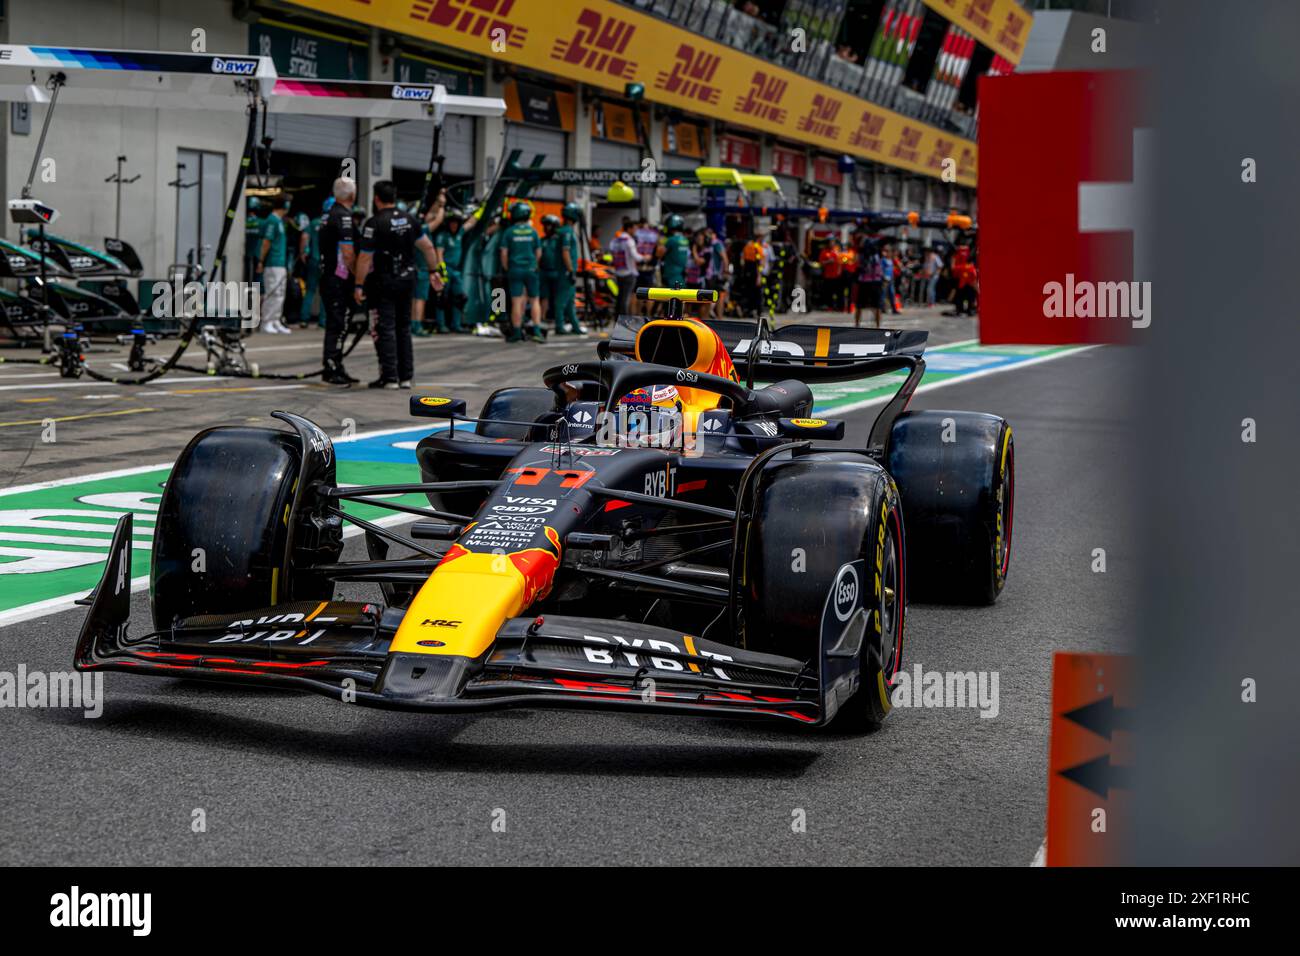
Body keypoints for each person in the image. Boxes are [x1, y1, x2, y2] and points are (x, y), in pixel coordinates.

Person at [353, 180, 443, 389]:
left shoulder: (374, 223)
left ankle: (390, 377)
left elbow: (365, 258)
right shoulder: (410, 220)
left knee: (385, 328)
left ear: (376, 199)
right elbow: (428, 247)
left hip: (383, 282)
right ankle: (406, 377)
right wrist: (433, 271)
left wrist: (358, 285)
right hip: (407, 280)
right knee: (404, 327)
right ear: (394, 198)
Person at [318, 181, 359, 385]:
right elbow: (348, 253)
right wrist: (359, 278)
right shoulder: (342, 216)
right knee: (338, 324)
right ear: (352, 195)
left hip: (329, 276)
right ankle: (332, 366)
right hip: (338, 279)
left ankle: (335, 364)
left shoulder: (329, 214)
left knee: (338, 324)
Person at [500, 201, 544, 343]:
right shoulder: (533, 231)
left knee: (516, 302)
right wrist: (534, 265)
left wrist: (507, 268)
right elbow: (538, 252)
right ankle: (537, 331)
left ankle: (517, 333)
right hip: (531, 269)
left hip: (515, 269)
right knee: (535, 300)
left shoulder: (509, 232)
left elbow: (504, 253)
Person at [256, 194, 292, 335]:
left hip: (280, 263)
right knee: (273, 292)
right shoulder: (272, 221)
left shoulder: (279, 221)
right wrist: (261, 260)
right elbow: (266, 242)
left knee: (280, 293)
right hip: (273, 263)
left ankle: (276, 320)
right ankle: (267, 321)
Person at [555, 201, 585, 334]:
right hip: (565, 272)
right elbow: (565, 252)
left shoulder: (564, 230)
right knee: (562, 301)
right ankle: (560, 326)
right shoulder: (567, 232)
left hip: (564, 271)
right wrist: (570, 270)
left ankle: (575, 326)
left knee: (569, 301)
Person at [434, 210, 467, 333]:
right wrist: (442, 271)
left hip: (456, 271)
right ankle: (441, 324)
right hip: (446, 268)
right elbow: (439, 254)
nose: (454, 225)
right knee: (441, 297)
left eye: (456, 223)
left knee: (459, 297)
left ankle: (456, 324)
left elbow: (471, 223)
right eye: (452, 223)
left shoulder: (460, 233)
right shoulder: (442, 236)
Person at [609, 216, 641, 317]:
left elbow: (611, 251)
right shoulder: (629, 240)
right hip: (629, 273)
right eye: (634, 228)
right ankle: (624, 321)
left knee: (620, 297)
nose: (635, 231)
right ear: (629, 229)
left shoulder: (616, 239)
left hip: (619, 272)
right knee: (626, 298)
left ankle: (617, 318)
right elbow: (636, 256)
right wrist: (645, 257)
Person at [538, 213, 564, 333]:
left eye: (548, 225)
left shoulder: (560, 240)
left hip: (557, 273)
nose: (546, 228)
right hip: (544, 272)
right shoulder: (542, 240)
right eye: (545, 225)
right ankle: (542, 318)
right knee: (544, 297)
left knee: (559, 298)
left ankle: (560, 320)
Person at [296, 208, 321, 327]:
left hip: (313, 260)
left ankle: (304, 319)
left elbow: (304, 237)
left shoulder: (314, 222)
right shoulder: (334, 221)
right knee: (325, 292)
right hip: (328, 262)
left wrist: (302, 253)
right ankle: (323, 321)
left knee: (310, 290)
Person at [657, 213, 691, 291]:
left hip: (671, 274)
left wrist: (661, 239)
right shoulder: (684, 239)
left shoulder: (671, 240)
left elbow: (658, 254)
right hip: (681, 274)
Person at [855, 237, 883, 329]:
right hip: (874, 282)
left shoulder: (862, 254)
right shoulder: (876, 254)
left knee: (861, 305)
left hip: (866, 282)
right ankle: (878, 326)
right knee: (876, 305)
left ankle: (857, 324)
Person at [702, 227, 730, 318]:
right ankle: (712, 318)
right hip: (709, 275)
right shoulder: (709, 244)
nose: (706, 236)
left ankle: (719, 318)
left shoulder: (716, 244)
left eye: (708, 234)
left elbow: (725, 258)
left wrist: (725, 272)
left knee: (717, 297)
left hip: (715, 274)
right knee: (711, 297)